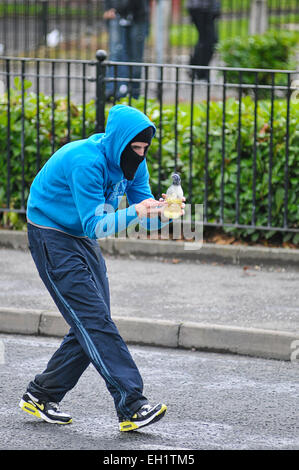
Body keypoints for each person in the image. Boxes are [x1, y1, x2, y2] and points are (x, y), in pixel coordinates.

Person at [19, 104, 184, 432]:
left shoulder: (136, 162)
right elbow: (96, 225)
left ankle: (40, 395)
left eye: (144, 148)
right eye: (134, 148)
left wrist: (160, 211)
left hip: (79, 235)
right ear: (119, 142)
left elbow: (140, 215)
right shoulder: (86, 161)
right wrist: (136, 210)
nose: (139, 154)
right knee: (94, 321)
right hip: (51, 233)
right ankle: (132, 404)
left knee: (93, 321)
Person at [103, 0, 150, 100]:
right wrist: (108, 8)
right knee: (116, 54)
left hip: (138, 14)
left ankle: (134, 92)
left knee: (135, 58)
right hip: (116, 12)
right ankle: (112, 90)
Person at [187, 0, 221, 80]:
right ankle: (198, 71)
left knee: (207, 40)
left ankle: (197, 69)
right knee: (209, 40)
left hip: (206, 8)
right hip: (202, 8)